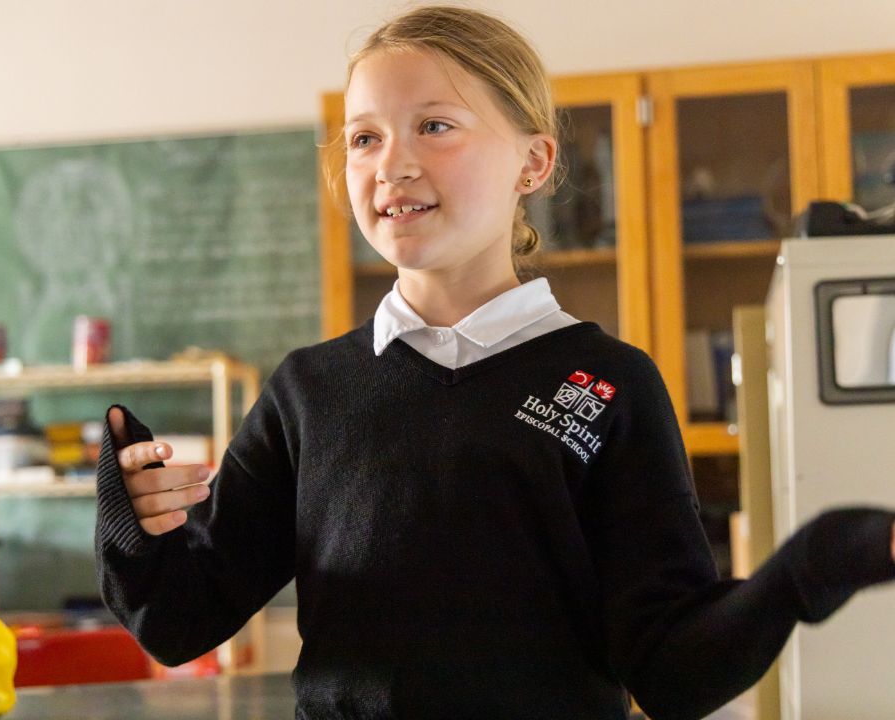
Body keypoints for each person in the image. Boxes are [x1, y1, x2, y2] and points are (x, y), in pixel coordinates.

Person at [96, 6, 895, 719]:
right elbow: (179, 621)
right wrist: (135, 525)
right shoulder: (309, 391)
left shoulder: (610, 384)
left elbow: (672, 674)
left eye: (435, 126)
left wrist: (800, 574)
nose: (392, 163)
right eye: (365, 137)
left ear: (533, 162)